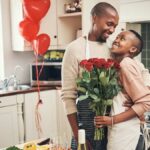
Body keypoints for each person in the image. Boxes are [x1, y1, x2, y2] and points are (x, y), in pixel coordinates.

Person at [61, 2, 119, 149]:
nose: (112, 30)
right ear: (94, 18)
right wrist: (79, 138)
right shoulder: (74, 49)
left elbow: (139, 71)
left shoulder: (114, 49)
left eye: (115, 26)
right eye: (109, 24)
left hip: (113, 129)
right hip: (84, 130)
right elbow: (68, 97)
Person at [94, 30, 150, 150]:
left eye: (123, 39)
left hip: (124, 133)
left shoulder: (126, 64)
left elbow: (146, 102)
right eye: (118, 37)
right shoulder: (122, 63)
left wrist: (111, 120)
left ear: (133, 50)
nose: (117, 40)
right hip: (125, 130)